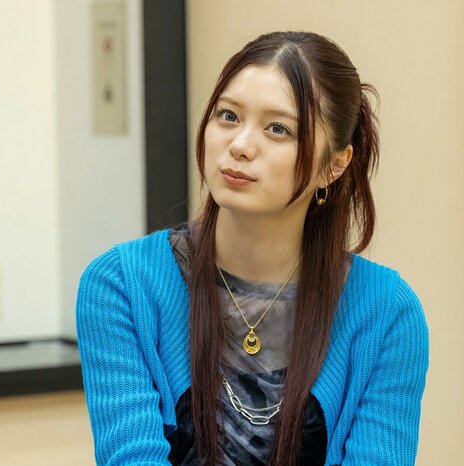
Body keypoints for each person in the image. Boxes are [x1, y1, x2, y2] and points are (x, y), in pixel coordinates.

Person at [76, 31, 429, 466]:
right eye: (228, 115)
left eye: (278, 128)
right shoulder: (122, 286)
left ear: (335, 165)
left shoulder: (387, 313)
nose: (240, 146)